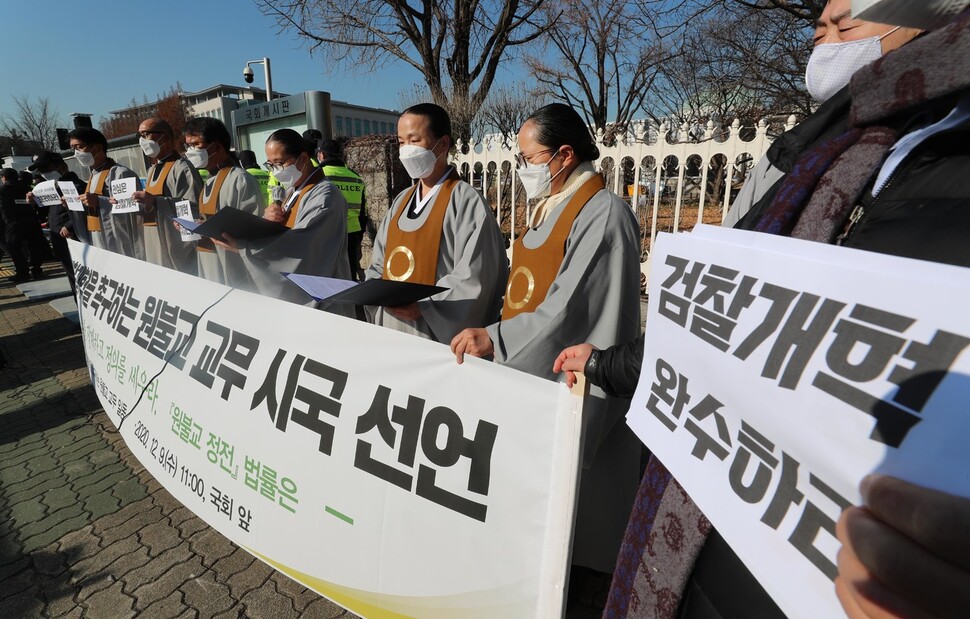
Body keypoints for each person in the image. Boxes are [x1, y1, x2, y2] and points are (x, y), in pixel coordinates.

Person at [561, 2, 970, 617]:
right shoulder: (821, 155)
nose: (824, 41)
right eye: (821, 28)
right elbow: (717, 323)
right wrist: (606, 364)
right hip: (705, 533)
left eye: (845, 27)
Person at [450, 103, 643, 581]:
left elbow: (567, 309)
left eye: (528, 157)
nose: (522, 167)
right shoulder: (555, 204)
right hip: (535, 361)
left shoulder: (603, 213)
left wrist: (497, 339)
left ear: (563, 154)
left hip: (570, 370)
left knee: (576, 506)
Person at [721, 0, 920, 228]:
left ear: (918, 27)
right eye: (817, 37)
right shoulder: (787, 154)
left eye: (845, 28)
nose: (826, 46)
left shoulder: (941, 146)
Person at [365, 103, 507, 343]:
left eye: (414, 140)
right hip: (391, 326)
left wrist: (427, 306)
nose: (406, 150)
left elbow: (475, 276)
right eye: (401, 142)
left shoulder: (466, 200)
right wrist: (374, 292)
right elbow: (378, 261)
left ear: (442, 144)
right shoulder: (401, 200)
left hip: (432, 332)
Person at [217, 128, 354, 315]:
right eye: (271, 165)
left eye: (280, 163)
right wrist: (267, 221)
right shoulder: (294, 190)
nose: (276, 172)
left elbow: (303, 249)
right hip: (298, 295)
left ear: (304, 158)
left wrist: (245, 248)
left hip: (322, 297)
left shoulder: (325, 196)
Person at [181, 117, 263, 288]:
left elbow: (253, 232)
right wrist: (194, 226)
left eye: (195, 145)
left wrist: (209, 228)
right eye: (187, 146)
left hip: (232, 271)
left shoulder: (240, 179)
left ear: (216, 146)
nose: (189, 151)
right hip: (208, 261)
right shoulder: (210, 179)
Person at [130, 118, 203, 275]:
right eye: (140, 135)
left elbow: (194, 208)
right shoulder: (152, 169)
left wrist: (157, 201)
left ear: (164, 137)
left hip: (174, 248)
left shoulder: (182, 168)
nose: (142, 140)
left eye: (146, 134)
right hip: (153, 241)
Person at [70, 127, 141, 256]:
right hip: (99, 239)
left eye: (79, 147)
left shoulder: (120, 173)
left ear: (97, 148)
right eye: (73, 148)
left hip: (120, 243)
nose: (76, 153)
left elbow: (132, 209)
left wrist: (99, 201)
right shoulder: (93, 175)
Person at [27, 152, 86, 292]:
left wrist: (70, 226)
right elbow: (48, 212)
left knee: (81, 279)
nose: (44, 173)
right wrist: (34, 202)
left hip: (74, 239)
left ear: (61, 166)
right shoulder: (54, 187)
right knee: (73, 280)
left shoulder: (76, 185)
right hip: (60, 240)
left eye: (47, 169)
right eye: (41, 171)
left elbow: (85, 210)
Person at [317, 139, 367, 281]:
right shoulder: (356, 178)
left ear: (322, 155)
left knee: (327, 275)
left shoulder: (318, 175)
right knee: (350, 273)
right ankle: (355, 303)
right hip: (352, 233)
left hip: (326, 233)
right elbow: (363, 212)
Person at [0, 168, 47, 282]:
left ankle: (22, 272)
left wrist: (7, 222)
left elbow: (3, 207)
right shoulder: (25, 187)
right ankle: (37, 269)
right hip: (31, 220)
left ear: (4, 178)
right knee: (33, 245)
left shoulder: (3, 189)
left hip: (13, 222)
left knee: (15, 248)